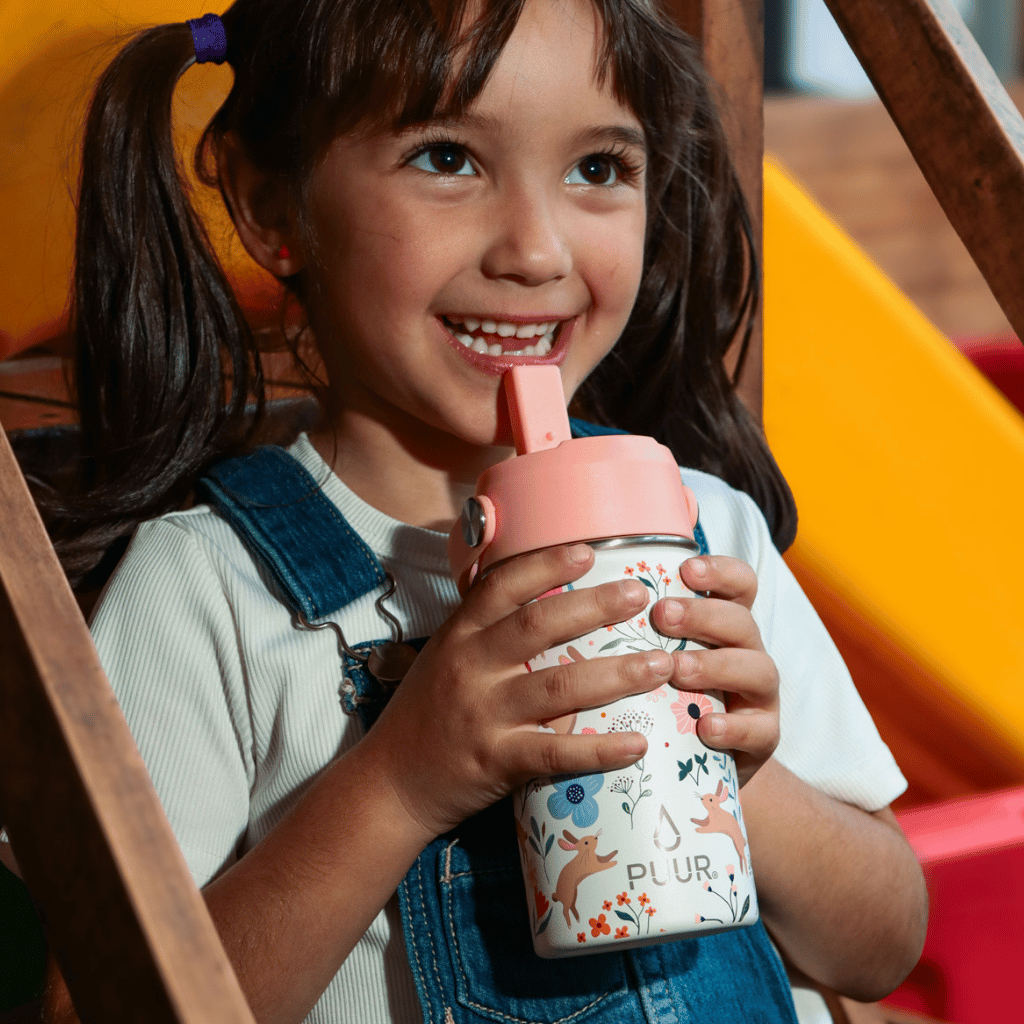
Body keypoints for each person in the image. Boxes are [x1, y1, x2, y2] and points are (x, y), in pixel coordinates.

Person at [9, 1, 927, 1022]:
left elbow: (882, 947)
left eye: (598, 168)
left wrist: (744, 776)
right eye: (446, 157)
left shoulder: (706, 533)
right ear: (272, 207)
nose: (537, 251)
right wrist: (400, 783)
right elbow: (96, 1007)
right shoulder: (208, 592)